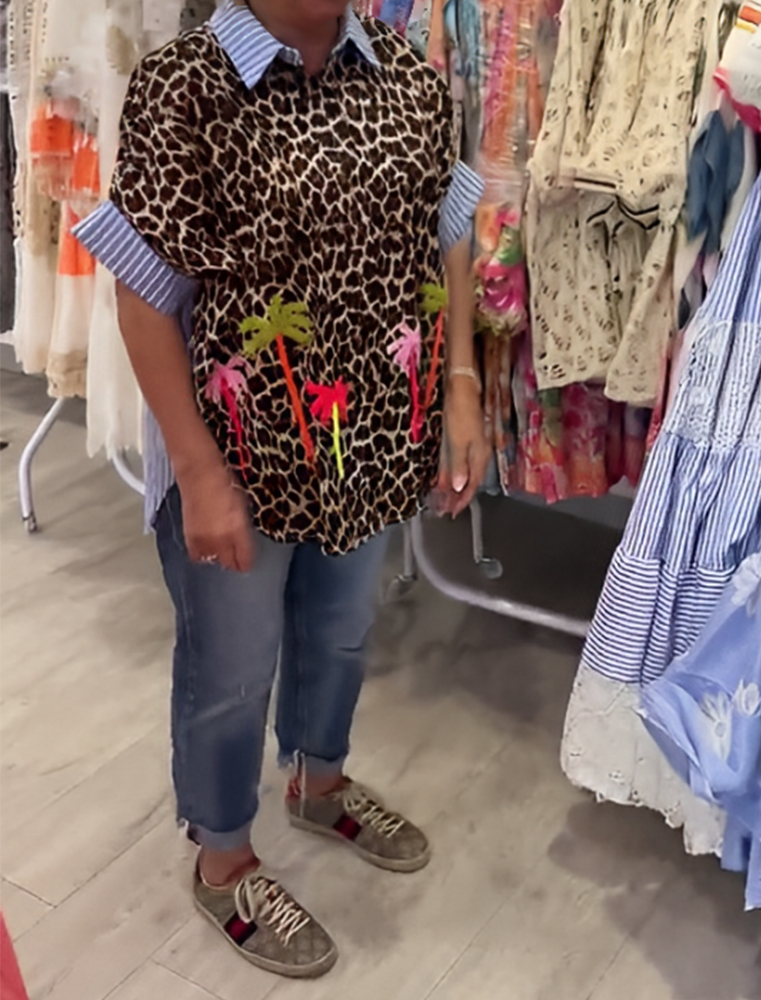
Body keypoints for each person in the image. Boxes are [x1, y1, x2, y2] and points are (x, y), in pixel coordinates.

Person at [76, 0, 488, 979]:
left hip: (365, 436)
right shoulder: (185, 86)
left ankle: (319, 781)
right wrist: (196, 470)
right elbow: (143, 293)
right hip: (236, 452)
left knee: (341, 631)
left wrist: (463, 385)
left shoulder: (408, 80)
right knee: (231, 665)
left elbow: (448, 235)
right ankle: (223, 857)